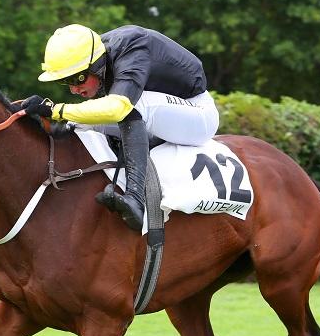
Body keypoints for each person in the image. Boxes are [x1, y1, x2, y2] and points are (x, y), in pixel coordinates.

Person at [20, 24, 220, 231]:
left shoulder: (133, 48)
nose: (74, 89)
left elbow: (117, 108)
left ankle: (135, 199)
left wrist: (56, 110)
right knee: (77, 124)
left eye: (76, 79)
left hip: (198, 114)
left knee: (130, 106)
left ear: (95, 65)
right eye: (65, 82)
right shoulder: (95, 52)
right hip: (163, 117)